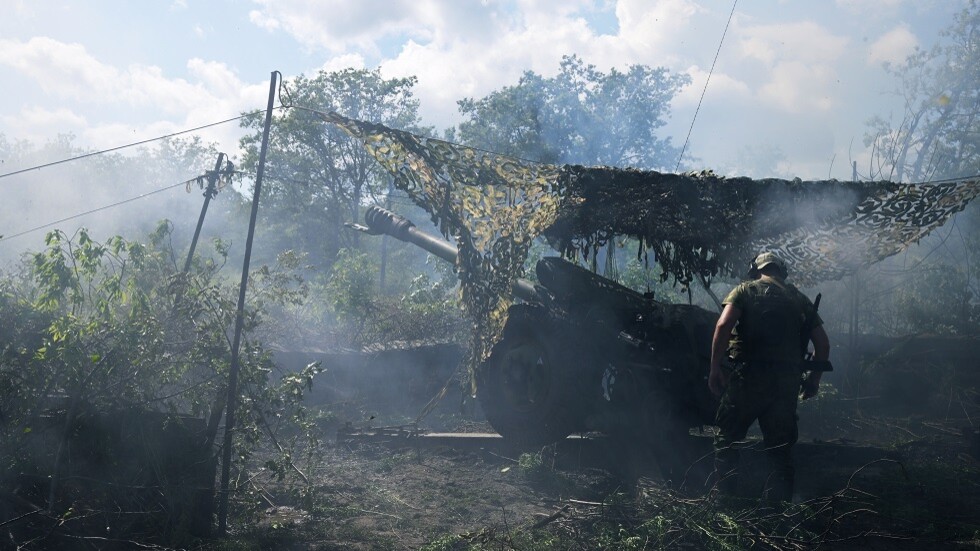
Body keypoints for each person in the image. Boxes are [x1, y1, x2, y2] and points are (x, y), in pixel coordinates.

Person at [708, 252, 830, 503]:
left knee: (727, 439)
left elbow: (723, 326)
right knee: (780, 450)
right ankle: (777, 510)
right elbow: (822, 344)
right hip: (785, 384)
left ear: (756, 269)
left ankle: (725, 501)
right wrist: (813, 380)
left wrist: (715, 368)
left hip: (748, 379)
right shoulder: (798, 298)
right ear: (781, 272)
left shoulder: (744, 290)